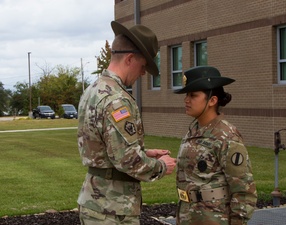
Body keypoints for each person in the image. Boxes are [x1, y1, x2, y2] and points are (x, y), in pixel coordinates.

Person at [77, 21, 177, 225]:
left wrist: (143, 152)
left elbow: (104, 147)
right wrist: (160, 166)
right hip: (113, 210)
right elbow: (126, 160)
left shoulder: (93, 89)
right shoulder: (116, 99)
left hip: (97, 203)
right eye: (143, 67)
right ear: (130, 58)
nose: (142, 74)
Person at [174, 66, 257, 225]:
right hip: (188, 217)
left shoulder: (227, 136)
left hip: (214, 219)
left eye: (193, 95)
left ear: (212, 100)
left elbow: (244, 190)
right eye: (186, 95)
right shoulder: (193, 131)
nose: (186, 100)